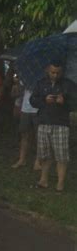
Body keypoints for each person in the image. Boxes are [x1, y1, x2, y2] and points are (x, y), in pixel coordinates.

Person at [30, 63, 75, 192]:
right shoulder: (41, 83)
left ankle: (60, 183)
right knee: (44, 154)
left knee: (61, 155)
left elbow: (75, 103)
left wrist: (64, 102)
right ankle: (43, 180)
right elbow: (33, 100)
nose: (55, 75)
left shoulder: (68, 84)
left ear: (62, 71)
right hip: (44, 121)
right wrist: (44, 100)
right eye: (52, 72)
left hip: (61, 124)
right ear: (47, 70)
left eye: (58, 73)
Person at [11, 86, 41, 170]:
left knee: (38, 136)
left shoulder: (43, 80)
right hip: (25, 109)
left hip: (38, 110)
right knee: (24, 135)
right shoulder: (26, 78)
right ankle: (22, 159)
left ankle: (38, 161)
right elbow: (18, 93)